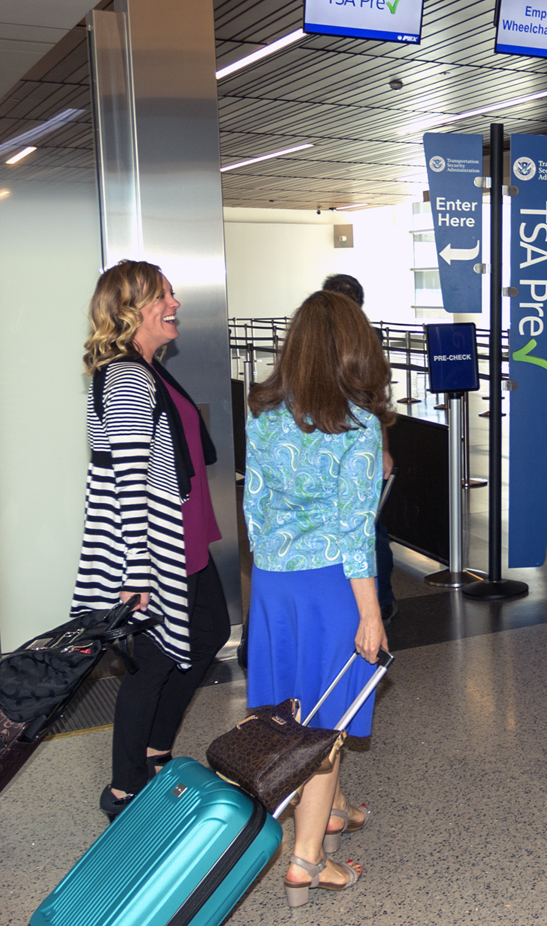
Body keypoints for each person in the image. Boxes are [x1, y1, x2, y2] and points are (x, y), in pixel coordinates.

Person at [243, 290, 393, 903]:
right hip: (334, 585)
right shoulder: (360, 431)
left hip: (275, 586)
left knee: (299, 713)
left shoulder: (262, 417)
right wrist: (371, 613)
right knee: (326, 728)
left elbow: (253, 510)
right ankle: (306, 861)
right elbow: (357, 533)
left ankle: (327, 815)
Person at [72, 260, 231, 822]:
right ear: (131, 310)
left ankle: (155, 752)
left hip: (184, 534)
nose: (176, 303)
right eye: (164, 296)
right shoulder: (129, 377)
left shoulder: (147, 369)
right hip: (156, 544)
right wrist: (136, 572)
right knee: (155, 660)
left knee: (207, 632)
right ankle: (125, 788)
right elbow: (130, 480)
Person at [320, 274, 396, 621]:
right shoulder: (319, 340)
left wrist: (382, 448)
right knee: (367, 525)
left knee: (369, 527)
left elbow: (375, 398)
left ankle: (379, 601)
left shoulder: (365, 340)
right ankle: (376, 601)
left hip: (351, 440)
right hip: (341, 440)